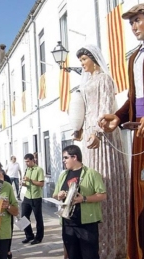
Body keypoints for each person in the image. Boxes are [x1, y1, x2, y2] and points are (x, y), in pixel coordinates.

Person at [73, 45, 129, 258]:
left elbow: (106, 106)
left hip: (102, 134)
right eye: (80, 61)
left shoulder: (104, 79)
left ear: (94, 59)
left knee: (106, 181)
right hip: (88, 135)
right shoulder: (86, 83)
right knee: (91, 183)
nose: (82, 64)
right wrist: (79, 129)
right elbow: (84, 109)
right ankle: (96, 241)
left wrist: (97, 131)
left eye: (84, 59)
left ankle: (114, 243)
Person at [98, 3, 144, 259]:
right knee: (140, 194)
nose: (134, 26)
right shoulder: (135, 57)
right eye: (131, 23)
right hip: (140, 134)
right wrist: (118, 116)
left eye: (137, 20)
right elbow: (134, 97)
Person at [53, 145, 106, 259]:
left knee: (89, 255)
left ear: (74, 157)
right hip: (68, 224)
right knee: (72, 255)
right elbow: (55, 195)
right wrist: (59, 195)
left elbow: (102, 195)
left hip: (86, 224)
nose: (63, 160)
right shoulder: (63, 175)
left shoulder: (92, 174)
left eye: (65, 157)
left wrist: (84, 199)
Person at [21, 153, 44, 245]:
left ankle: (39, 237)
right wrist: (24, 184)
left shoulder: (39, 170)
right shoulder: (27, 169)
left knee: (38, 218)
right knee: (23, 217)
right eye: (25, 162)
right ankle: (29, 235)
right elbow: (28, 183)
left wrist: (29, 180)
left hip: (36, 197)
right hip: (27, 196)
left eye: (27, 161)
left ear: (32, 160)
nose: (26, 163)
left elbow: (41, 184)